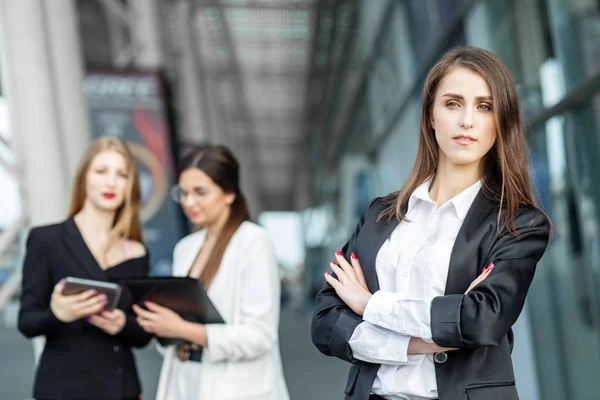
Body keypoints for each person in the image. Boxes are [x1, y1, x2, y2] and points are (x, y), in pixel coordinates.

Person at [310, 47, 552, 400]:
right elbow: (325, 323)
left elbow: (480, 320)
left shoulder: (518, 224)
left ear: (500, 123)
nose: (467, 120)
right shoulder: (380, 215)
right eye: (453, 103)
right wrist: (425, 340)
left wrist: (369, 306)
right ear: (431, 116)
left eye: (484, 107)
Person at [133, 145, 289, 400]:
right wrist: (158, 323)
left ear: (229, 193)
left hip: (236, 388)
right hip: (185, 382)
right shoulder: (186, 247)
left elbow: (260, 336)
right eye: (182, 193)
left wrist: (182, 329)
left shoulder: (252, 241)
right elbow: (178, 328)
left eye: (200, 192)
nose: (188, 202)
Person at [18, 137, 152, 400]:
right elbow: (27, 322)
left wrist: (123, 324)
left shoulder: (136, 251)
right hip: (64, 389)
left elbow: (143, 335)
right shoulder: (47, 240)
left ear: (130, 185)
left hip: (122, 387)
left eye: (121, 175)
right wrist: (57, 314)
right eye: (101, 171)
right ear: (84, 178)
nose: (111, 182)